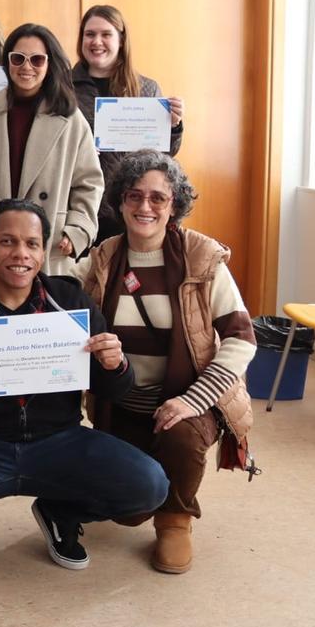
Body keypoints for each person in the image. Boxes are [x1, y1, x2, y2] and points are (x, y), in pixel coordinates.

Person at [0, 199, 168, 573]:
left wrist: (116, 364)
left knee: (149, 486)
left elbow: (115, 390)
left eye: (32, 244)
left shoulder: (69, 301)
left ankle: (59, 512)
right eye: (7, 242)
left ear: (44, 250)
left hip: (59, 439)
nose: (20, 253)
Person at [76, 150, 255, 573]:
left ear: (175, 205)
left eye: (158, 198)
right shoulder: (103, 259)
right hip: (121, 402)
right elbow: (47, 286)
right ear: (119, 202)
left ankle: (176, 518)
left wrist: (193, 400)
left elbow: (242, 338)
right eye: (134, 196)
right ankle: (147, 495)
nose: (145, 207)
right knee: (127, 511)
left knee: (181, 437)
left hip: (185, 400)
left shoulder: (201, 257)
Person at [0, 23, 103, 277]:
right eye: (18, 58)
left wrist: (77, 230)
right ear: (7, 61)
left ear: (49, 63)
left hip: (50, 246)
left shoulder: (71, 120)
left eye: (37, 59)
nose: (26, 67)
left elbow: (89, 184)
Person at [72, 5, 186, 243]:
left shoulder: (147, 89)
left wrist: (173, 127)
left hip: (131, 206)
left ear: (121, 40)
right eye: (90, 34)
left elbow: (161, 156)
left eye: (106, 34)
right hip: (78, 205)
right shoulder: (63, 87)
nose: (97, 41)